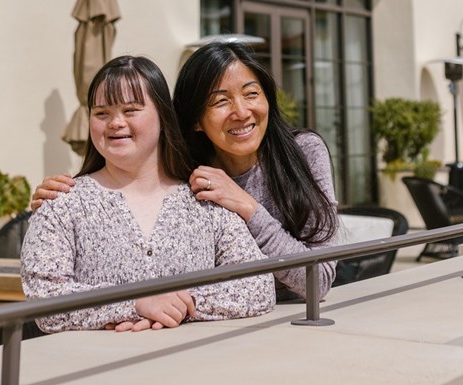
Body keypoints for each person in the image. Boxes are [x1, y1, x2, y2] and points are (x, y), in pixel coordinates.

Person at [32, 41, 339, 302]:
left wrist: (246, 206)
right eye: (221, 101)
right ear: (195, 121)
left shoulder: (304, 152)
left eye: (251, 94)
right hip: (216, 326)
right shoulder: (188, 174)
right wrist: (61, 196)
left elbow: (319, 281)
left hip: (298, 314)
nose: (242, 112)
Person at [20, 55, 275, 334]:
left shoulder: (206, 200)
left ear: (163, 117)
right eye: (101, 113)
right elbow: (44, 298)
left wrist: (181, 302)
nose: (116, 123)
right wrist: (135, 302)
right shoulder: (61, 204)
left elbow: (259, 286)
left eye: (131, 110)